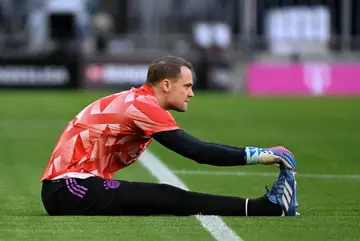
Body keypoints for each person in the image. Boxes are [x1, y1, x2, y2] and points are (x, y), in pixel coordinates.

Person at [40, 55, 298, 216]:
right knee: (168, 198)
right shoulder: (143, 107)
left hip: (67, 188)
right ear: (166, 85)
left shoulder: (137, 101)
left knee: (165, 196)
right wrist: (261, 156)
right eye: (187, 86)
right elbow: (197, 152)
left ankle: (264, 207)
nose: (191, 93)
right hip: (69, 188)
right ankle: (263, 208)